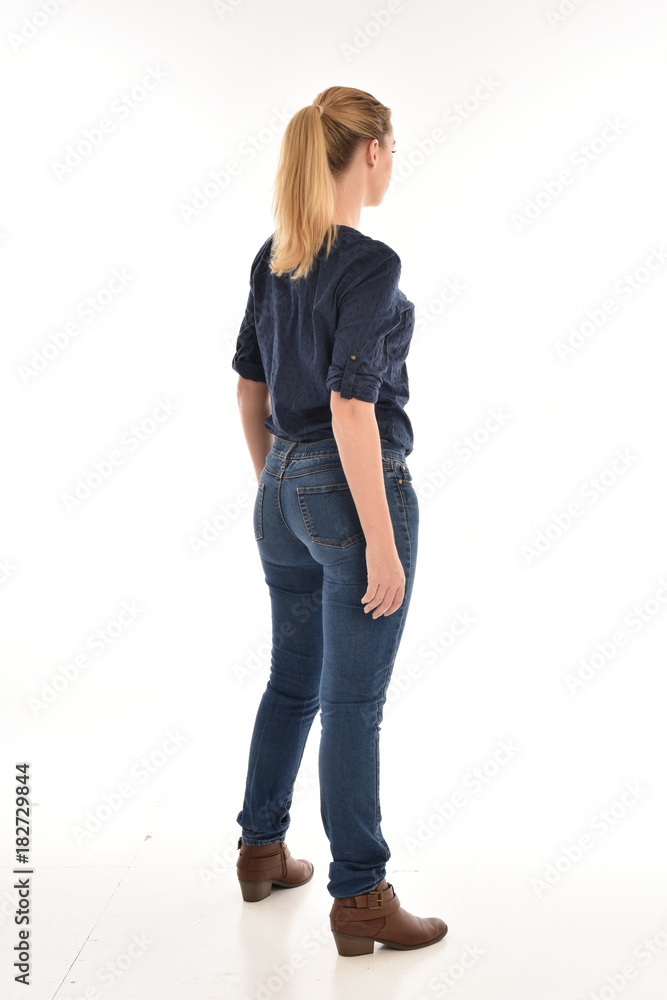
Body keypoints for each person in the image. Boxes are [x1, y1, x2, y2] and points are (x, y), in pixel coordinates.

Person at [231, 86, 447, 957]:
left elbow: (250, 388)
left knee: (293, 684)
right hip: (351, 489)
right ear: (368, 152)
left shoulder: (272, 257)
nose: (392, 162)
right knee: (353, 703)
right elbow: (352, 406)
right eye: (390, 147)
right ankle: (360, 897)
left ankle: (260, 847)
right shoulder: (369, 263)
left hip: (280, 486)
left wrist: (280, 490)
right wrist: (379, 545)